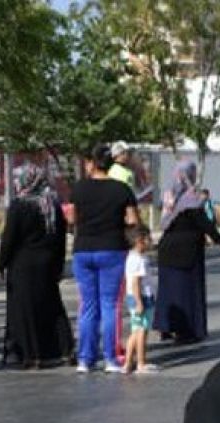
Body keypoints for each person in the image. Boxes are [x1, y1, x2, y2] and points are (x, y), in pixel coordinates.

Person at [69, 143, 141, 372]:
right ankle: (111, 358)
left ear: (92, 162)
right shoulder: (121, 189)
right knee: (110, 305)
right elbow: (133, 221)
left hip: (83, 250)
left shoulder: (79, 189)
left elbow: (72, 219)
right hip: (111, 248)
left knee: (88, 307)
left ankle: (85, 359)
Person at [0, 164, 74, 369]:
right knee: (53, 306)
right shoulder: (52, 205)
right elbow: (60, 239)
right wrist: (58, 265)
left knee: (24, 311)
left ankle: (31, 355)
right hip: (47, 264)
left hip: (23, 265)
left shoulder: (20, 205)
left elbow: (9, 238)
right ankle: (65, 350)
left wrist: (1, 264)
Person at [155, 160, 220, 343]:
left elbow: (164, 222)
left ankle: (166, 326)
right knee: (186, 293)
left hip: (166, 250)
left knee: (168, 291)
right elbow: (205, 224)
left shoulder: (169, 195)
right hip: (187, 252)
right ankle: (186, 330)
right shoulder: (191, 200)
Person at [123, 230, 158, 374]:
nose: (151, 242)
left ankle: (127, 362)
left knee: (135, 330)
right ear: (139, 241)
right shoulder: (139, 260)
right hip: (142, 297)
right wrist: (139, 302)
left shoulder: (132, 258)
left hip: (135, 297)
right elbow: (136, 282)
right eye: (148, 239)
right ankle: (141, 362)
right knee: (142, 330)